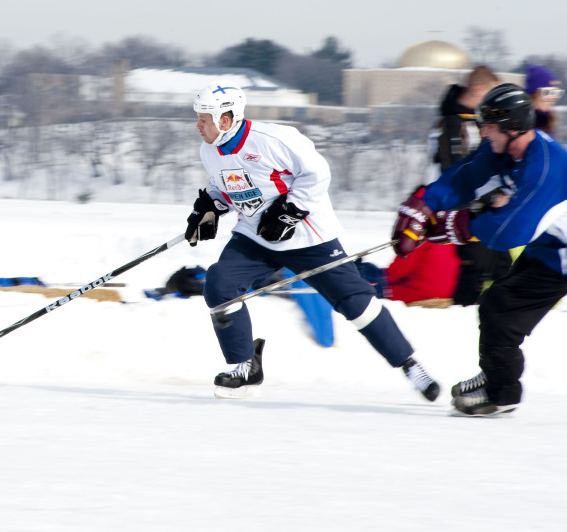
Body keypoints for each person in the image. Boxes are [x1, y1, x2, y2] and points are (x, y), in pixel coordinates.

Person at [186, 83, 440, 401]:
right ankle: (244, 366)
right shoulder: (209, 150)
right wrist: (210, 209)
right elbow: (227, 186)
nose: (198, 125)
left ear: (226, 120)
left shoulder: (273, 140)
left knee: (355, 302)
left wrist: (289, 212)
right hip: (256, 235)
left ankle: (410, 365)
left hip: (308, 236)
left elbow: (317, 173)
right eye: (198, 117)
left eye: (203, 118)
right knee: (220, 283)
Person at [392, 83, 567, 416]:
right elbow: (463, 178)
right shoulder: (502, 150)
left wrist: (457, 226)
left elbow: (511, 231)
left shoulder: (543, 169)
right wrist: (423, 205)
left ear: (512, 127)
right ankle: (498, 375)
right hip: (548, 245)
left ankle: (501, 392)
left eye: (489, 125)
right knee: (500, 305)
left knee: (499, 309)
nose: (483, 131)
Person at [434, 65, 512, 306]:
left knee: (502, 267)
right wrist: (491, 195)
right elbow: (456, 170)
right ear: (479, 91)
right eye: (491, 93)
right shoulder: (453, 123)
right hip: (462, 210)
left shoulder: (474, 121)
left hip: (482, 209)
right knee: (475, 272)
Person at [356, 240, 461, 307]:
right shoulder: (454, 240)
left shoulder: (421, 240)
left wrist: (385, 276)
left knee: (367, 272)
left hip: (418, 293)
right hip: (448, 293)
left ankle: (348, 278)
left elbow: (398, 271)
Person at [525, 64, 564, 136]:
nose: (553, 97)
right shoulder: (520, 125)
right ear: (533, 94)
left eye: (556, 92)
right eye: (548, 92)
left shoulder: (548, 123)